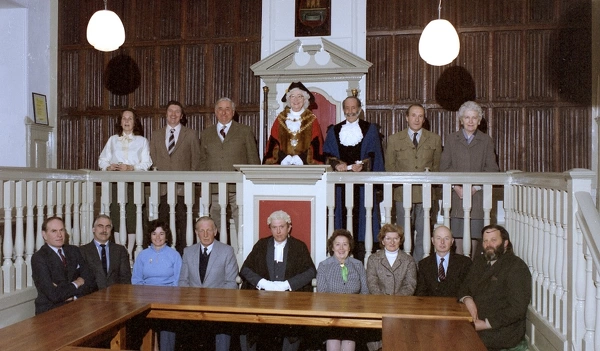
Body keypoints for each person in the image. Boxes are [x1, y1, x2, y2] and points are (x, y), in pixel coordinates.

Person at [239, 210, 316, 351]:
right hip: (262, 301)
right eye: (274, 227)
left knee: (293, 331)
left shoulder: (299, 246)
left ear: (289, 227)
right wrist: (263, 283)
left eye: (282, 227)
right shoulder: (262, 245)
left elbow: (310, 271)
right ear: (270, 228)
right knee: (249, 328)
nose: (278, 231)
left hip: (290, 301)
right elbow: (245, 269)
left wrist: (287, 285)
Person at [323, 96, 384, 260]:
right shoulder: (334, 131)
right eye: (347, 108)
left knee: (363, 224)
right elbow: (327, 155)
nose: (350, 111)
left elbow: (375, 156)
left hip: (362, 186)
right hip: (340, 187)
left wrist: (363, 165)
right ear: (343, 110)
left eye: (353, 107)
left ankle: (361, 259)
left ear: (359, 109)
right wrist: (336, 164)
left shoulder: (369, 129)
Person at [440, 101, 500, 257]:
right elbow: (444, 167)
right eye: (467, 117)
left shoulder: (486, 140)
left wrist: (475, 188)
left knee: (474, 241)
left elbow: (492, 169)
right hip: (456, 197)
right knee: (458, 241)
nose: (471, 121)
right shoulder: (452, 139)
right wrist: (456, 187)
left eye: (474, 118)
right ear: (461, 120)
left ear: (479, 120)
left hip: (477, 198)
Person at [458, 224, 531, 351]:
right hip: (475, 324)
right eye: (485, 241)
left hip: (500, 333)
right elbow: (464, 286)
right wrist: (467, 299)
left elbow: (517, 308)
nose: (488, 244)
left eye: (493, 240)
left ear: (505, 243)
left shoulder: (516, 267)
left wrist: (486, 324)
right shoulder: (480, 261)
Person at [385, 104, 442, 262]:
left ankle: (419, 265)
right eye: (413, 115)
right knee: (402, 233)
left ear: (424, 119)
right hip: (402, 194)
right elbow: (390, 167)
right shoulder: (394, 139)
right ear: (406, 117)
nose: (417, 119)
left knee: (424, 233)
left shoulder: (434, 139)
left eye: (420, 116)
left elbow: (437, 168)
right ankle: (404, 264)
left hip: (426, 194)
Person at [199, 97, 260, 240]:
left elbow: (253, 159)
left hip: (238, 187)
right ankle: (220, 255)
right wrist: (203, 185)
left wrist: (253, 184)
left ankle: (243, 253)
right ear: (215, 112)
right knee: (216, 225)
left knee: (242, 222)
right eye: (220, 109)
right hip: (214, 188)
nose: (223, 113)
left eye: (227, 109)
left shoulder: (245, 131)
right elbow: (202, 161)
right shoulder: (206, 133)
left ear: (233, 112)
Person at [179, 216, 239, 351]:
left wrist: (212, 301)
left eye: (209, 230)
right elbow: (183, 281)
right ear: (196, 232)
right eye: (201, 230)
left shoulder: (227, 251)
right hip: (193, 306)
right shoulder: (188, 252)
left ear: (215, 231)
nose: (205, 234)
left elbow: (231, 283)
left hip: (219, 306)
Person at [149, 100, 201, 254]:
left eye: (177, 111)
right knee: (163, 225)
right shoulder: (156, 134)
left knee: (184, 225)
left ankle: (183, 256)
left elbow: (196, 161)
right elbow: (152, 160)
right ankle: (164, 254)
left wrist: (190, 185)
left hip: (183, 190)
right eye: (170, 111)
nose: (173, 114)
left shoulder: (190, 134)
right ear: (166, 114)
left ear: (182, 115)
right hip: (163, 190)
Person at [98, 108, 152, 235]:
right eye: (124, 118)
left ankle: (130, 250)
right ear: (120, 122)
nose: (127, 121)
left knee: (132, 216)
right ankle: (119, 248)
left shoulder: (142, 141)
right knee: (116, 215)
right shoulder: (113, 139)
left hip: (134, 184)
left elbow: (147, 163)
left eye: (130, 118)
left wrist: (131, 167)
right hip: (115, 183)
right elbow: (102, 160)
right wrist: (108, 167)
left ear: (135, 122)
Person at [131, 219, 182, 351]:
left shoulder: (174, 255)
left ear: (166, 236)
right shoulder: (142, 255)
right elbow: (136, 279)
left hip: (169, 300)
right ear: (150, 235)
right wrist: (144, 296)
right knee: (145, 329)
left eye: (161, 233)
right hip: (146, 299)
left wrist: (170, 297)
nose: (158, 237)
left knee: (167, 330)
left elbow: (178, 280)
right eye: (154, 233)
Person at [31, 216, 97, 314]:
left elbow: (90, 280)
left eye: (61, 230)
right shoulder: (39, 258)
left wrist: (74, 296)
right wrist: (77, 283)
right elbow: (53, 295)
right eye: (54, 231)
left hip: (77, 306)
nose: (59, 235)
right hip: (50, 312)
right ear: (44, 235)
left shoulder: (74, 251)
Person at [316, 229, 368, 351]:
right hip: (332, 314)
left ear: (349, 247)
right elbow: (322, 293)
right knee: (333, 340)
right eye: (337, 244)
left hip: (353, 314)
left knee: (349, 341)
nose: (341, 248)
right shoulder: (324, 265)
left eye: (345, 244)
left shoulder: (358, 265)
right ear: (332, 247)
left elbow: (365, 292)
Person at [263, 82, 324, 165]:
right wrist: (282, 158)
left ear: (305, 99)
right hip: (282, 166)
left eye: (300, 96)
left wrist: (302, 158)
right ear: (289, 99)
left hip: (306, 168)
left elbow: (316, 145)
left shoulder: (312, 119)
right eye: (292, 96)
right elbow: (273, 143)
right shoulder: (280, 118)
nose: (296, 100)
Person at [415, 225, 471, 297]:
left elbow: (466, 290)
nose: (442, 242)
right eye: (438, 238)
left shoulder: (464, 263)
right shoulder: (424, 264)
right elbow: (421, 292)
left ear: (452, 241)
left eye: (446, 238)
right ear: (433, 241)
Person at [80, 214, 132, 290]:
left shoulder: (120, 250)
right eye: (100, 226)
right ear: (93, 229)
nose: (104, 230)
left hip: (115, 297)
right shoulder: (83, 251)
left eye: (108, 227)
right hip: (91, 297)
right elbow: (81, 278)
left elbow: (125, 278)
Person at [366, 223, 416, 296]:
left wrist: (396, 299)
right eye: (388, 238)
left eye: (396, 238)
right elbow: (372, 283)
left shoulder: (409, 260)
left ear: (400, 241)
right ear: (383, 241)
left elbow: (410, 285)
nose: (392, 242)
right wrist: (383, 299)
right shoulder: (373, 259)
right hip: (378, 301)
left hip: (401, 302)